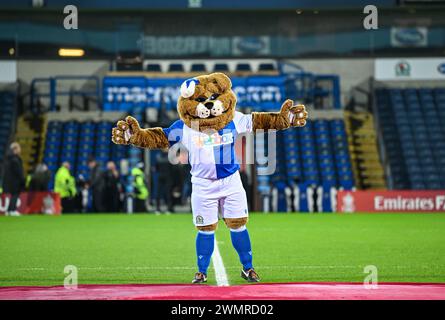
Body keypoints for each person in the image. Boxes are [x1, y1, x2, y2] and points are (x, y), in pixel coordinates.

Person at [2, 142, 25, 216]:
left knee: (13, 196)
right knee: (15, 195)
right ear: (15, 149)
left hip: (10, 181)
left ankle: (9, 210)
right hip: (15, 182)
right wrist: (22, 180)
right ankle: (12, 210)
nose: (20, 150)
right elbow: (18, 172)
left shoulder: (8, 158)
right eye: (19, 148)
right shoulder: (15, 160)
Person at [155, 150, 174, 214]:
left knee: (168, 193)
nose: (166, 149)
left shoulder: (170, 157)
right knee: (158, 193)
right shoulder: (158, 156)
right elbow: (156, 167)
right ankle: (157, 209)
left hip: (168, 177)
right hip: (160, 177)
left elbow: (173, 168)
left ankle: (169, 209)